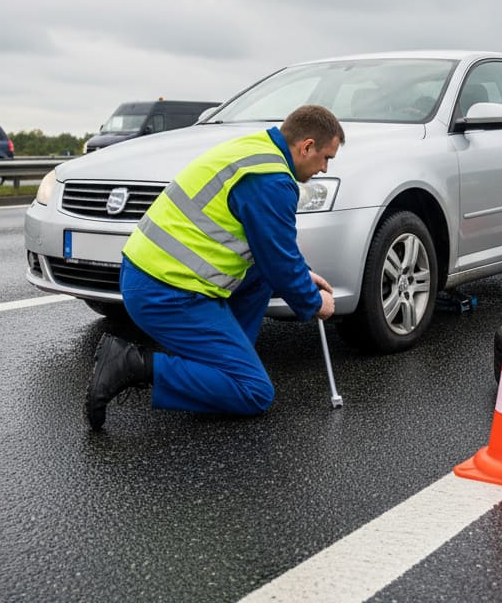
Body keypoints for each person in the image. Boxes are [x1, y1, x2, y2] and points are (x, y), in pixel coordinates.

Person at [86, 104, 345, 430]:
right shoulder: (272, 181)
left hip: (151, 274)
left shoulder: (254, 148)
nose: (324, 168)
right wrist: (313, 302)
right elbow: (279, 260)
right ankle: (131, 364)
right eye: (326, 158)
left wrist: (301, 276)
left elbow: (272, 252)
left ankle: (222, 363)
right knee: (254, 392)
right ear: (307, 146)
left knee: (264, 274)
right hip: (166, 293)